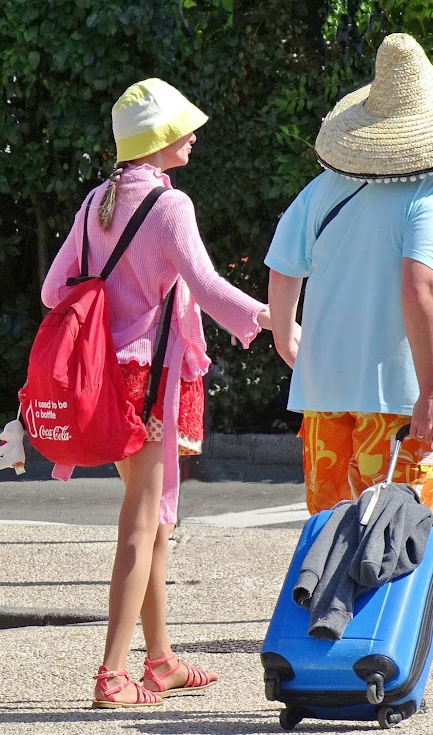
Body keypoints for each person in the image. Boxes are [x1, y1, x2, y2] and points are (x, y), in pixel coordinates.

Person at [41, 78, 279, 708]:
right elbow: (207, 287)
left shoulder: (98, 201)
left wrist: (107, 307)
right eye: (183, 128)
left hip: (100, 378)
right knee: (142, 523)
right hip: (144, 384)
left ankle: (161, 660)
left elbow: (50, 291)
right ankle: (113, 673)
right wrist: (276, 320)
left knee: (153, 526)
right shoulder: (170, 208)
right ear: (161, 140)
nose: (194, 137)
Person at [265, 33, 433, 516]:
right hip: (401, 397)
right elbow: (420, 287)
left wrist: (286, 338)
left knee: (330, 544)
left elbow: (284, 266)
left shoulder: (322, 189)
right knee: (393, 544)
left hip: (323, 392)